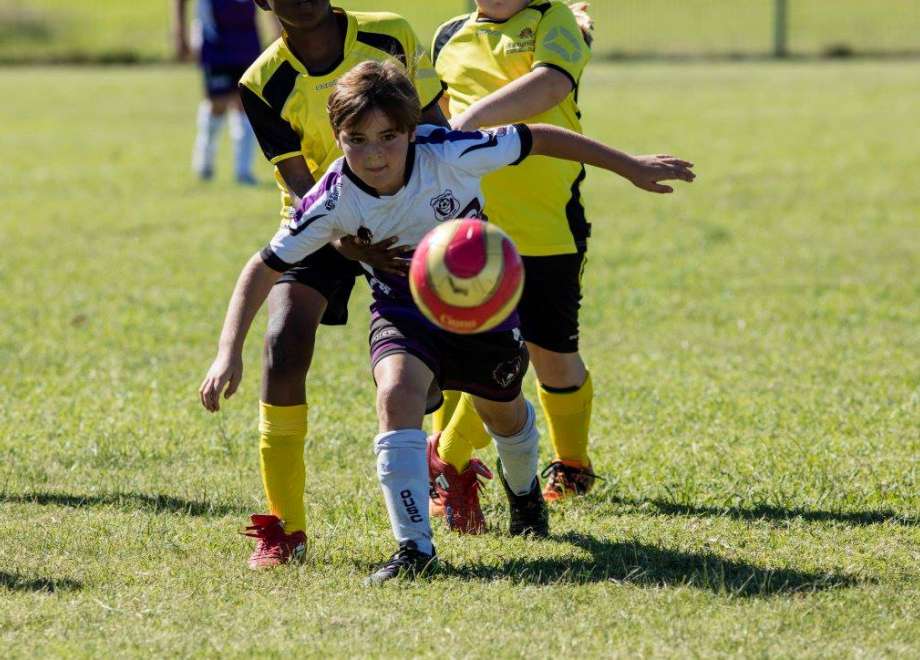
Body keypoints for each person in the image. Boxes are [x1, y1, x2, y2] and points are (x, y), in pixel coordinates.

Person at [199, 60, 694, 583]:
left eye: (389, 137)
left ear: (412, 131)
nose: (374, 154)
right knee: (395, 394)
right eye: (356, 139)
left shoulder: (450, 152)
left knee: (502, 412)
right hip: (402, 309)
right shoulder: (333, 196)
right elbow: (263, 265)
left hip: (483, 307)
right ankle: (414, 549)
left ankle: (524, 495)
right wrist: (228, 351)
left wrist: (629, 166)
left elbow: (538, 136)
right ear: (338, 137)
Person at [222, 0, 446, 570]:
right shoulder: (261, 81)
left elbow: (437, 125)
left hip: (410, 211)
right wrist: (346, 240)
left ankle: (450, 468)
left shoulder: (389, 33)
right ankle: (285, 528)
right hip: (324, 221)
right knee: (282, 344)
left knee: (447, 358)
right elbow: (302, 183)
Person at [426, 0, 605, 534]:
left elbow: (550, 85)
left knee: (551, 358)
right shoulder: (448, 36)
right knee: (453, 351)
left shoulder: (554, 22)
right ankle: (449, 467)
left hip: (544, 228)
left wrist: (473, 118)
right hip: (464, 230)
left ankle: (572, 466)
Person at [173, 0, 263, 183]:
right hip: (215, 41)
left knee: (246, 102)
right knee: (217, 104)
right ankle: (204, 164)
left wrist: (278, 29)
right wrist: (180, 34)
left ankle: (243, 171)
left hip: (247, 40)